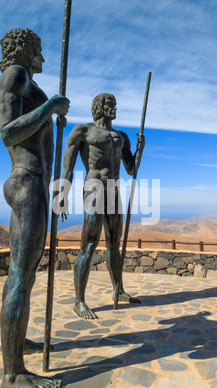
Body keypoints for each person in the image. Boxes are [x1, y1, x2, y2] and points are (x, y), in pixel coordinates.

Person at [0, 28, 70, 388]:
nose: (41, 57)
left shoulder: (24, 79)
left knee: (21, 276)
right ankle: (13, 376)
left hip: (33, 181)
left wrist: (48, 117)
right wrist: (50, 108)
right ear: (24, 50)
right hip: (26, 181)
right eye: (38, 50)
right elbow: (8, 133)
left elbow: (30, 126)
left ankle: (16, 342)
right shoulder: (15, 75)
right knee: (22, 278)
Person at [60, 93, 144, 319]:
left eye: (115, 104)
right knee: (88, 244)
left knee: (114, 245)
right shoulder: (83, 131)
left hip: (115, 190)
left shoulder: (121, 137)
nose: (113, 107)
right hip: (94, 189)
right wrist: (62, 193)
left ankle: (119, 289)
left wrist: (139, 150)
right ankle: (79, 300)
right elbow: (67, 168)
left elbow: (130, 168)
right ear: (98, 107)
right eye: (109, 104)